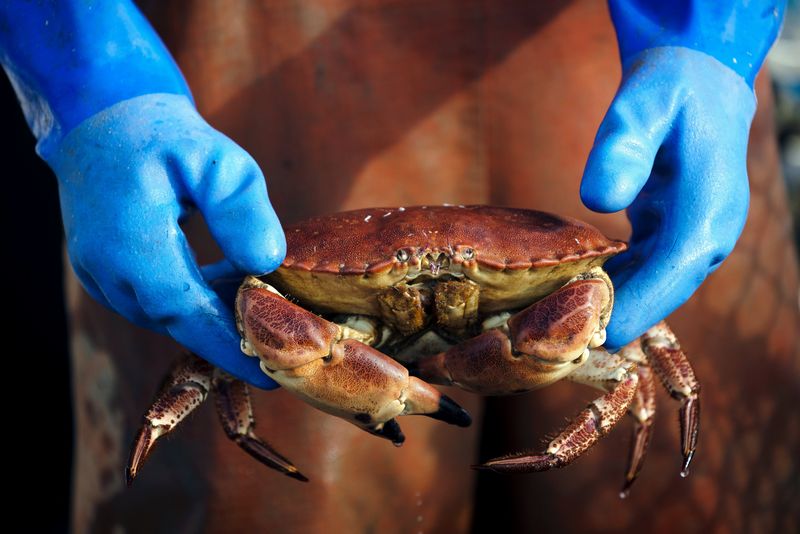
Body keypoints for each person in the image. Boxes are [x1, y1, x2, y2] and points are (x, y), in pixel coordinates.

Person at [2, 1, 798, 532]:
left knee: (675, 503)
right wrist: (93, 75)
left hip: (615, 71)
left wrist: (712, 36)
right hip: (231, 82)